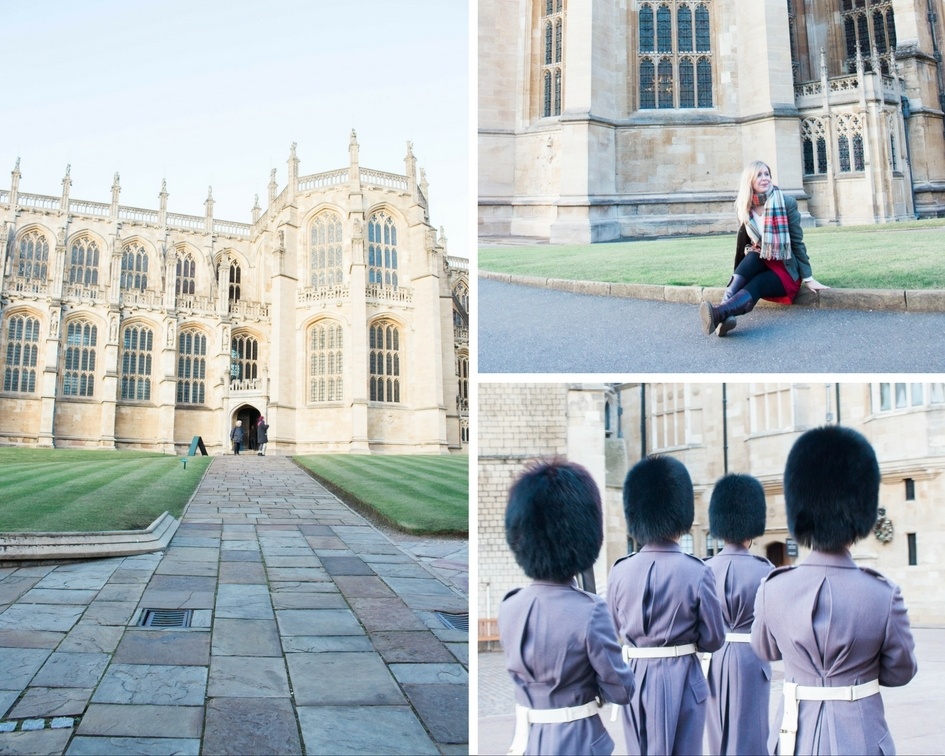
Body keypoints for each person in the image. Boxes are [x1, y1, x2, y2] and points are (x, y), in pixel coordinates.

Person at [751, 426, 918, 755]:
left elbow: (764, 649)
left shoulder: (774, 588)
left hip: (793, 736)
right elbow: (902, 671)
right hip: (862, 737)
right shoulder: (883, 595)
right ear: (860, 513)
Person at [499, 460, 635, 755]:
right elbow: (621, 690)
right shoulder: (591, 611)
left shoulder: (509, 605)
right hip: (578, 741)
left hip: (529, 740)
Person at [607, 455, 725, 756]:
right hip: (684, 678)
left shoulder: (620, 571)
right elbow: (713, 639)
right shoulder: (697, 571)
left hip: (636, 677)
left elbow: (611, 631)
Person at [700, 160, 829, 337]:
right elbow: (745, 243)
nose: (765, 178)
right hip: (761, 259)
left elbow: (798, 243)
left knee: (757, 283)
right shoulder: (745, 207)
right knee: (753, 256)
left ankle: (719, 313)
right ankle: (724, 316)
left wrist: (808, 277)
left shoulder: (786, 203)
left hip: (784, 268)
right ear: (750, 181)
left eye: (767, 174)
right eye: (759, 175)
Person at [704, 473, 774, 755]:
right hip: (752, 658)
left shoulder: (704, 567)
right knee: (752, 736)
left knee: (716, 734)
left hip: (713, 659)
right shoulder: (765, 568)